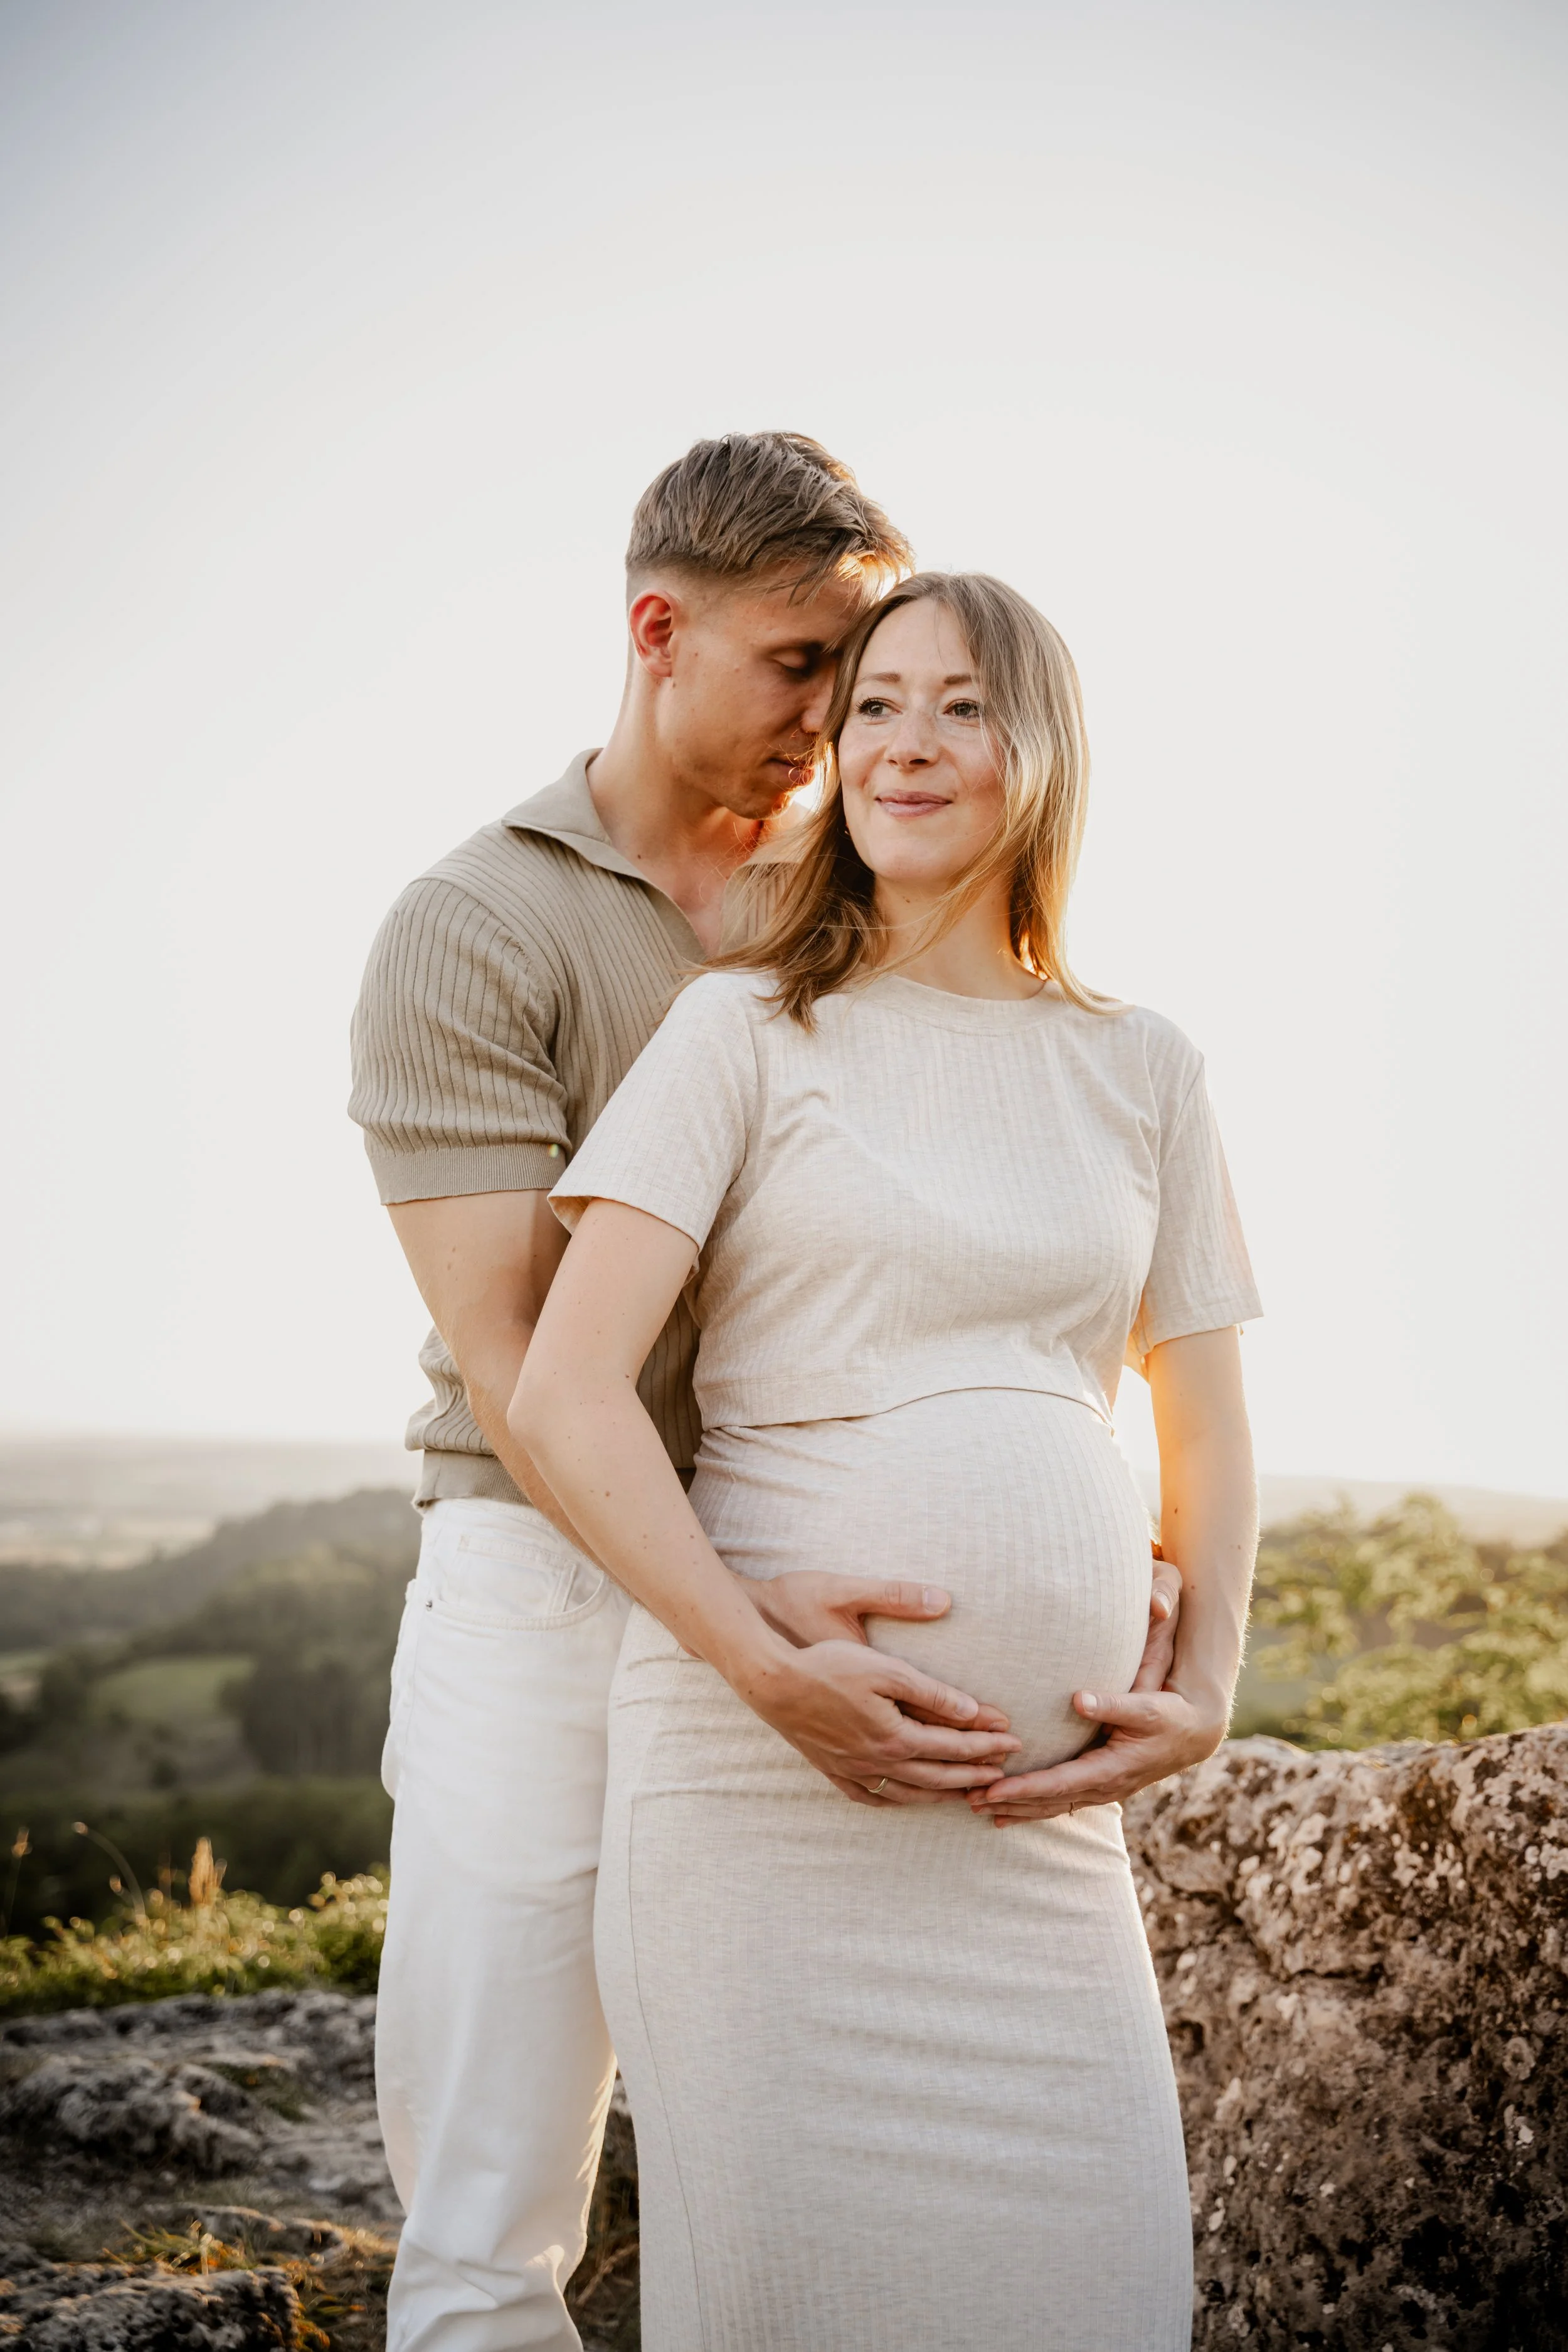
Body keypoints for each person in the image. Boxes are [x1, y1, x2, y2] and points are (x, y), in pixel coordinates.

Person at [351, 443, 1164, 2352]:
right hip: (555, 1588)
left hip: (825, 1603)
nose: (843, 719)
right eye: (807, 666)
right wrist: (734, 1624)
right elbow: (521, 1364)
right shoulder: (475, 927)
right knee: (494, 2209)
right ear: (659, 632)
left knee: (798, 2197)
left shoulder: (866, 886)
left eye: (865, 676)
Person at [512, 570, 1263, 2350]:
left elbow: (1208, 1413)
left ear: (1042, 750)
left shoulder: (1142, 1067)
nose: (905, 746)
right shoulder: (742, 1028)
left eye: (962, 705)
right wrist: (763, 1665)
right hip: (764, 1800)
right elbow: (563, 1395)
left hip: (1033, 1847)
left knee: (1101, 2299)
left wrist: (1210, 1677)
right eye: (873, 706)